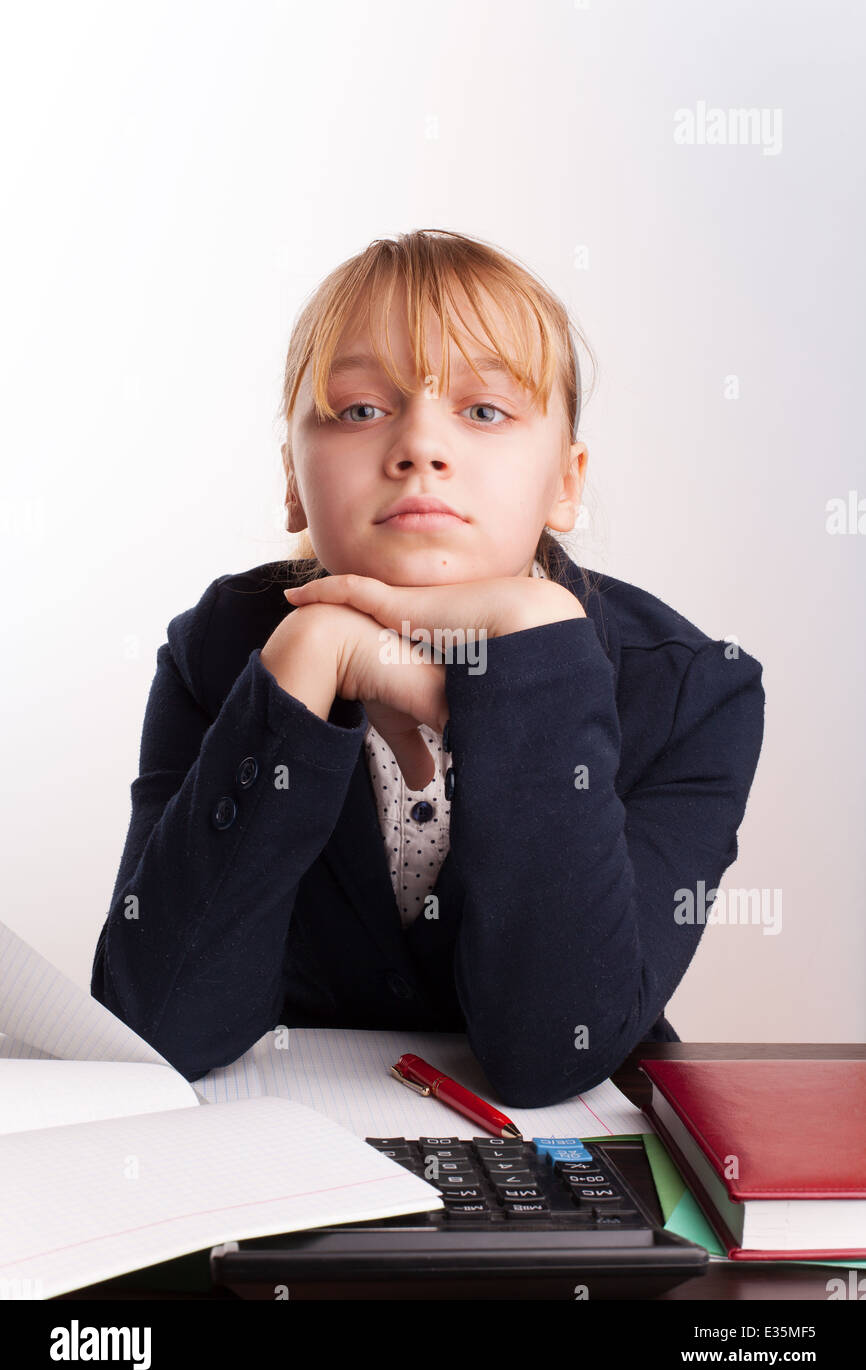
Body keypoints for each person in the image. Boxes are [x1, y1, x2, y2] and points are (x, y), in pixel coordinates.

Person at [91, 228, 765, 1106]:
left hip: (557, 1185)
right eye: (362, 409)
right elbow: (159, 1029)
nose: (419, 448)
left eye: (485, 412)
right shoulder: (220, 648)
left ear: (567, 481)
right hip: (286, 1169)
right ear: (293, 480)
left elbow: (552, 1052)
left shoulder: (692, 695)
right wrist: (307, 659)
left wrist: (533, 642)